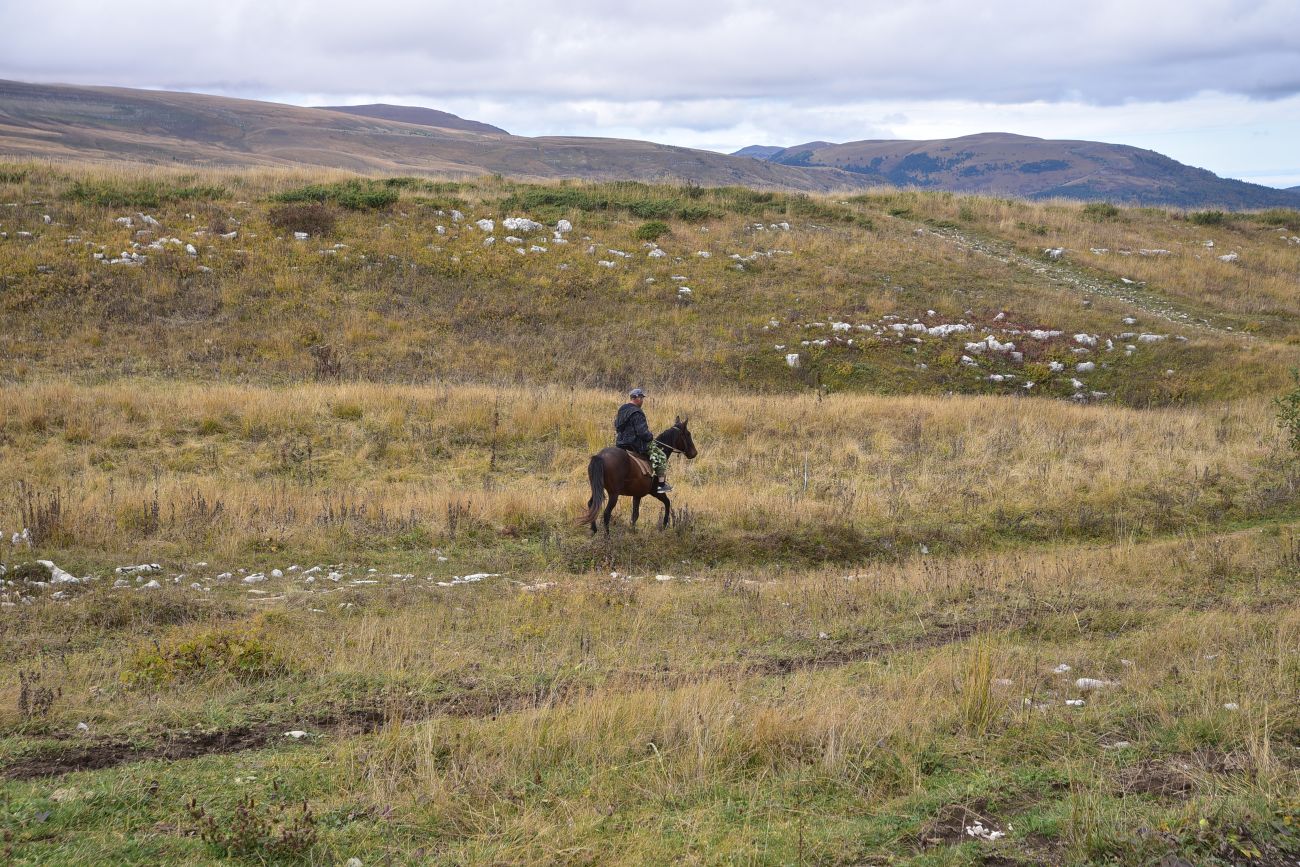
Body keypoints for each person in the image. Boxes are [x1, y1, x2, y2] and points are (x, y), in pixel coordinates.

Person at [614, 387, 671, 493]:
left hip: (620, 444)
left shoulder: (622, 409)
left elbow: (616, 426)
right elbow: (642, 432)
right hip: (636, 445)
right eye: (641, 397)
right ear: (635, 398)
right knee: (661, 456)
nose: (642, 400)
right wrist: (650, 436)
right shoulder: (637, 412)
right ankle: (661, 485)